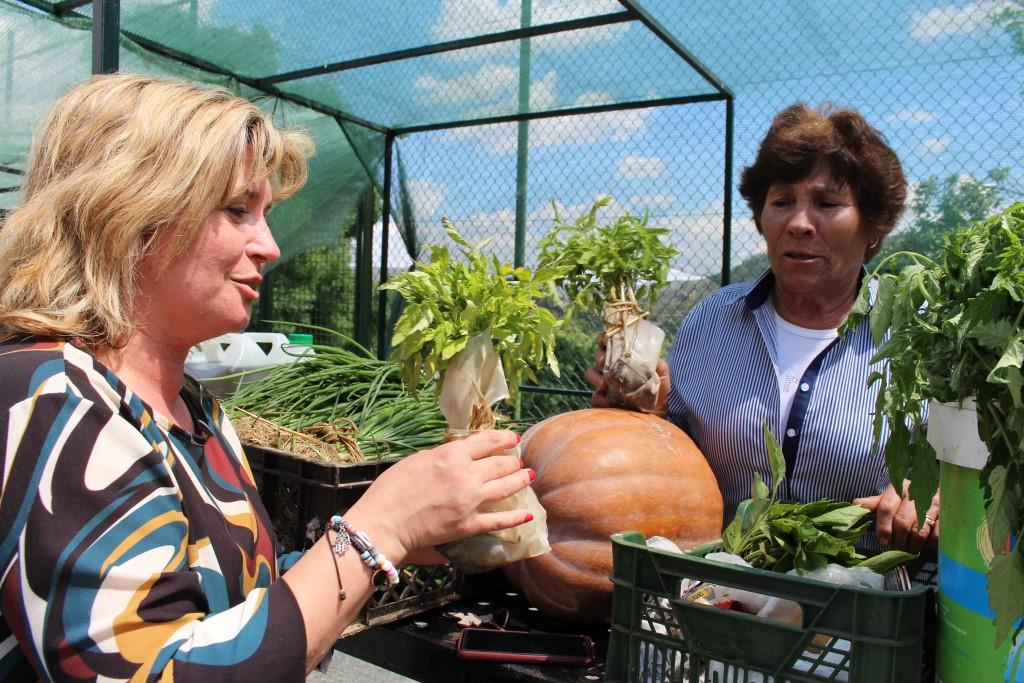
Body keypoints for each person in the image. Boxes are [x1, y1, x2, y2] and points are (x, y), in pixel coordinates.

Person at [0, 73, 534, 681]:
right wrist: (378, 526)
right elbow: (151, 667)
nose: (271, 246)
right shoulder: (51, 394)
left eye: (266, 214)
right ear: (130, 208)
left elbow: (243, 599)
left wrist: (404, 535)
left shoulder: (195, 409)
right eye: (237, 210)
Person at [587, 103, 938, 554]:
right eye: (782, 202)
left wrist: (934, 494)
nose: (799, 224)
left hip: (861, 589)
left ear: (873, 226)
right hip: (717, 580)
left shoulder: (918, 334)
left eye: (827, 203)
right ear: (761, 218)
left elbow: (972, 469)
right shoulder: (713, 319)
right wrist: (651, 415)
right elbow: (675, 466)